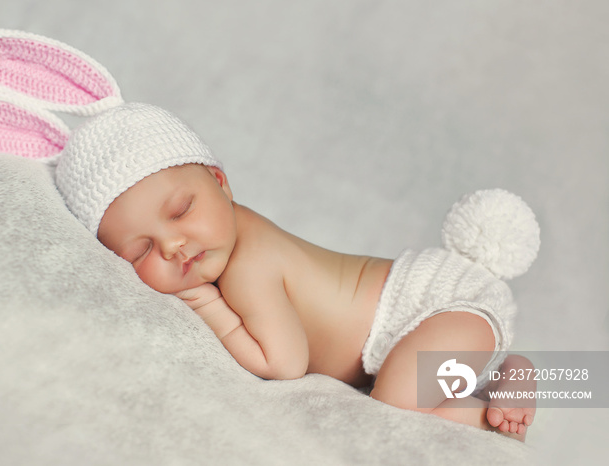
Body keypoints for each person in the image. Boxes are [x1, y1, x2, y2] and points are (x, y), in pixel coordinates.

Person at [57, 103, 538, 440]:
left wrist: (207, 305)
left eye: (181, 211)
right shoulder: (226, 241)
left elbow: (283, 364)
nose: (174, 246)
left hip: (432, 306)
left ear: (220, 182)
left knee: (396, 414)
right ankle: (502, 374)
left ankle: (499, 399)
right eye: (142, 251)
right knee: (405, 389)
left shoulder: (250, 262)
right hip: (425, 320)